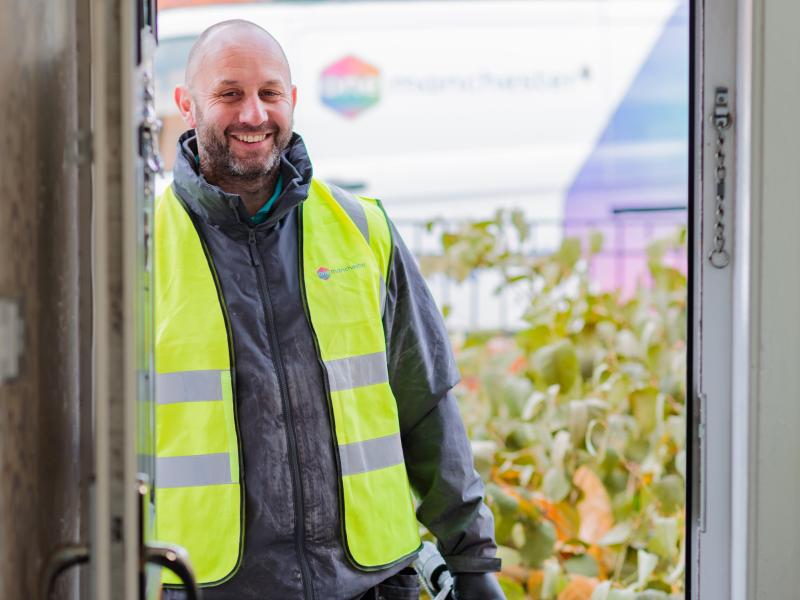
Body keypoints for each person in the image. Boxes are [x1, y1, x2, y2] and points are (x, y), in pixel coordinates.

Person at [154, 19, 505, 600]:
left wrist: (473, 560)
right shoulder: (139, 253)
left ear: (291, 100)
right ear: (186, 105)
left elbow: (428, 405)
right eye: (229, 94)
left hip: (369, 585)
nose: (252, 114)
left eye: (269, 93)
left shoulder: (363, 229)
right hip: (207, 588)